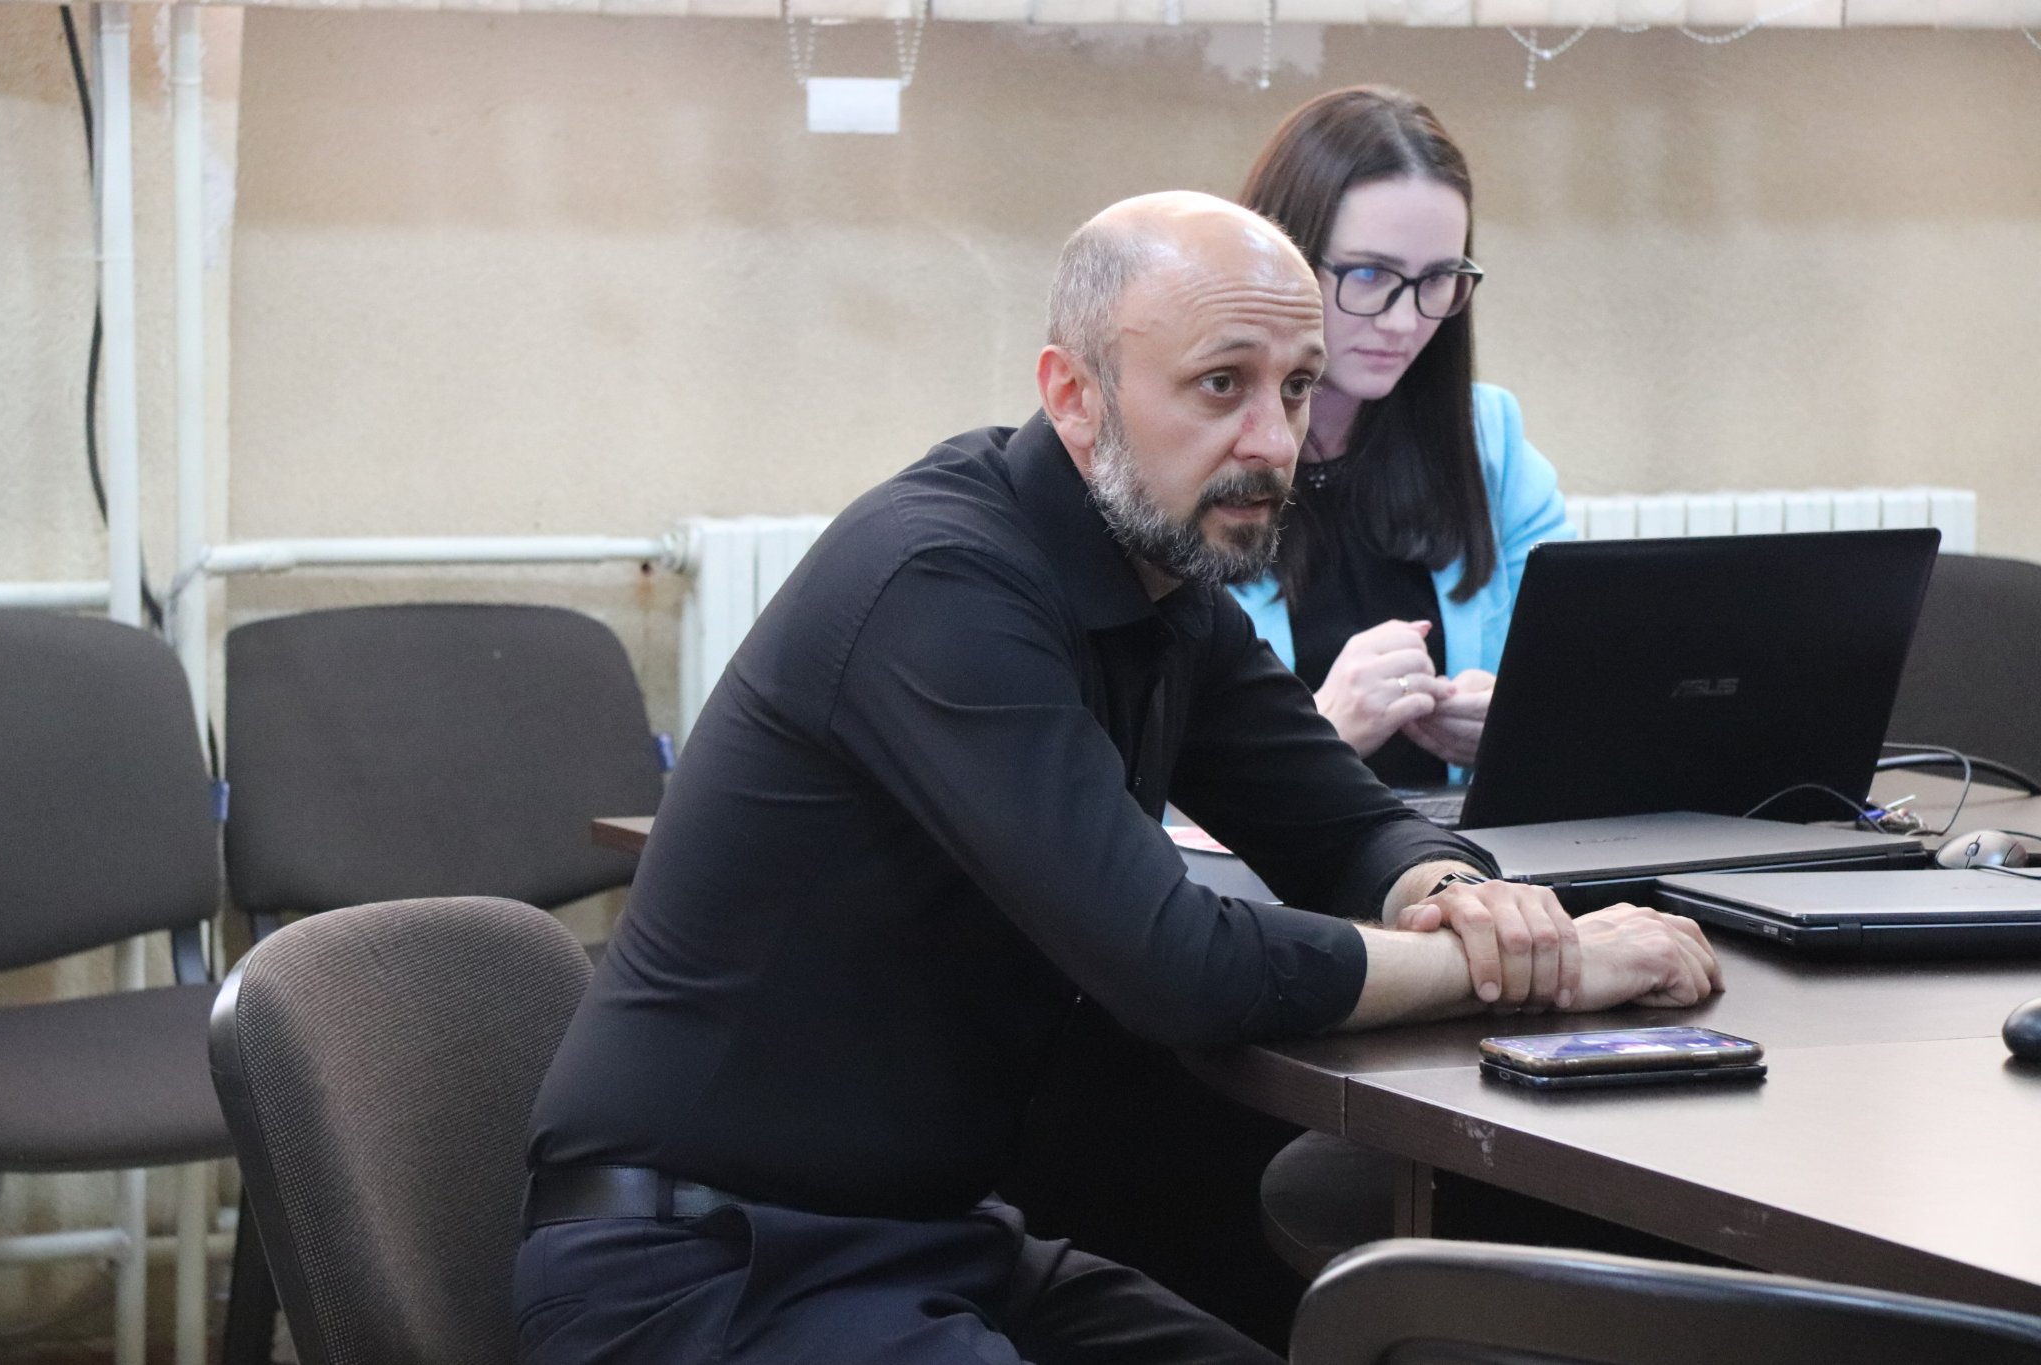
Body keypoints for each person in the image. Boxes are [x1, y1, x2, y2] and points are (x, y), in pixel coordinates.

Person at [517, 191, 1721, 1365]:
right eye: (1220, 384)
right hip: (700, 1272)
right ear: (1073, 396)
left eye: (1294, 387)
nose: (1272, 441)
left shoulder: (1164, 585)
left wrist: (1457, 894)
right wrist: (1537, 965)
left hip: (927, 1241)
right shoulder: (937, 580)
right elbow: (1173, 965)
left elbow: (1344, 823)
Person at [1233, 85, 1574, 786]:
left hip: (1454, 848)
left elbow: (1583, 686)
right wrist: (1319, 734)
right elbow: (1136, 786)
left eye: (1438, 279)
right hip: (1260, 855)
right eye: (1368, 274)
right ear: (1282, 261)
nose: (1404, 321)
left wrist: (1521, 727)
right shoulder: (1186, 456)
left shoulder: (1490, 442)